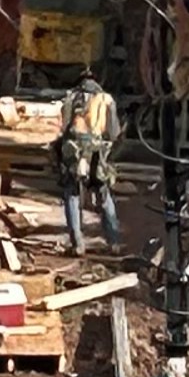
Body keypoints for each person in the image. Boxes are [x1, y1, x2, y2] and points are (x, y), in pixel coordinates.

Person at [54, 72, 122, 256]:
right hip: (98, 152)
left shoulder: (70, 97)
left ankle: (77, 243)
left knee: (72, 194)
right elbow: (114, 132)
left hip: (74, 150)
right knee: (103, 194)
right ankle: (114, 242)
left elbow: (63, 128)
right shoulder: (107, 100)